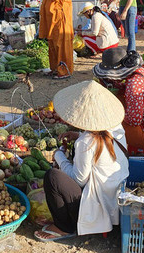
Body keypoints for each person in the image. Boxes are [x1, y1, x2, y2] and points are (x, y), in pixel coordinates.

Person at [34, 80, 129, 242]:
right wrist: (78, 136)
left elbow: (79, 180)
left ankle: (64, 227)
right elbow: (101, 142)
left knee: (53, 177)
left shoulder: (86, 142)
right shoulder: (115, 127)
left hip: (98, 207)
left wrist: (59, 156)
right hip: (114, 199)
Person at [93, 47, 144, 149]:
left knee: (107, 124)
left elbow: (134, 120)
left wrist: (114, 114)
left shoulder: (134, 84)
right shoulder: (141, 71)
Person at [39, 0, 74, 79]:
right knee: (53, 46)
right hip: (52, 22)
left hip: (61, 22)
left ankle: (64, 71)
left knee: (61, 47)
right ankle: (55, 68)